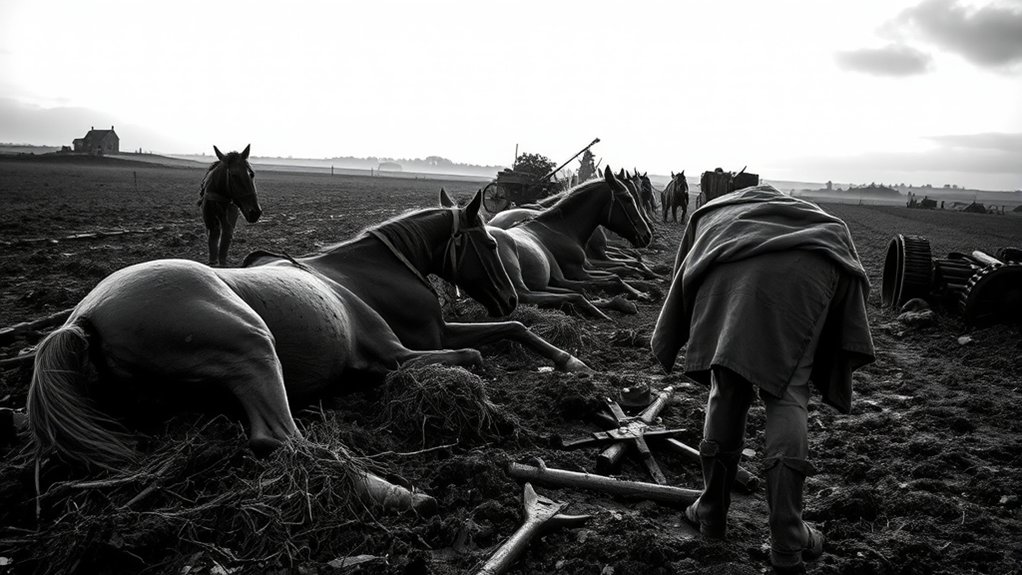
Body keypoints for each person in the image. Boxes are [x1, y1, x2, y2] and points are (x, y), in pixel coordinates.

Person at [650, 185, 875, 574]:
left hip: (725, 268)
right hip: (809, 269)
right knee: (789, 395)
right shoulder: (820, 223)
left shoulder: (713, 215)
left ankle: (711, 513)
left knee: (726, 388)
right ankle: (788, 538)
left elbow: (685, 271)